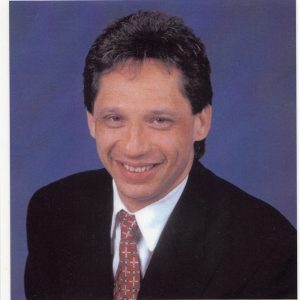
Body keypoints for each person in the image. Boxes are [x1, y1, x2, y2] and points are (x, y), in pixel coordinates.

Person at [25, 10, 296, 300]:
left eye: (159, 120)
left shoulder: (265, 245)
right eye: (115, 118)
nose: (134, 147)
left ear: (201, 122)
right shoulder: (53, 209)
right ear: (91, 120)